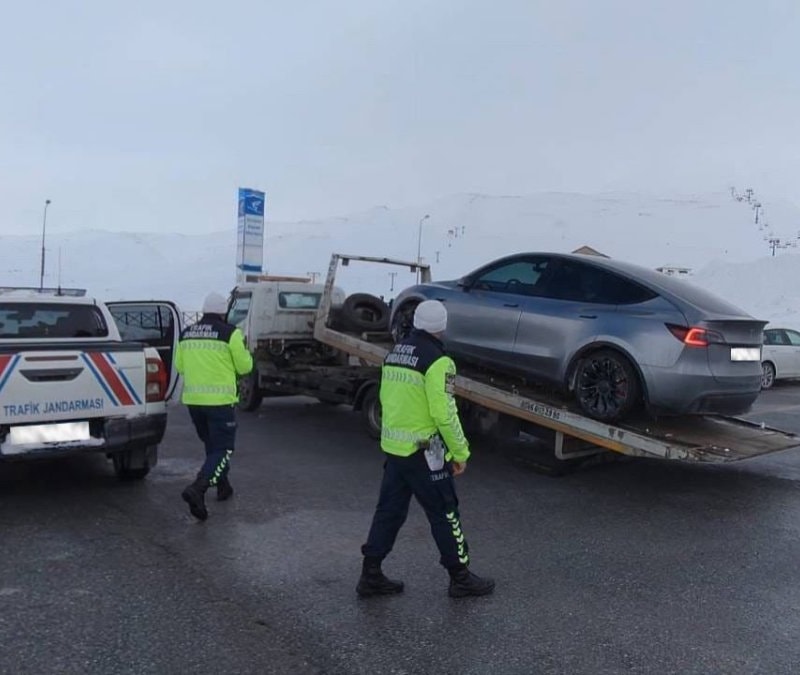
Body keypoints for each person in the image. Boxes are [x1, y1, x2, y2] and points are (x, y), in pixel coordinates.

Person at [357, 299, 495, 598]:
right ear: (442, 327)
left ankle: (371, 573)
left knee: (389, 512)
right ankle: (460, 577)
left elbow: (386, 396)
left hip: (395, 448)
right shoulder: (438, 361)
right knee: (445, 512)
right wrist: (461, 453)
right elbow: (443, 413)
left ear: (416, 322)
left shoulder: (395, 353)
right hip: (424, 450)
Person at [175, 291, 254, 521]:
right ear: (223, 312)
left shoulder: (186, 333)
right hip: (219, 403)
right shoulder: (231, 333)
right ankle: (198, 488)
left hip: (194, 403)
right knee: (224, 449)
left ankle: (223, 485)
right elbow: (244, 367)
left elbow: (180, 366)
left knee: (212, 447)